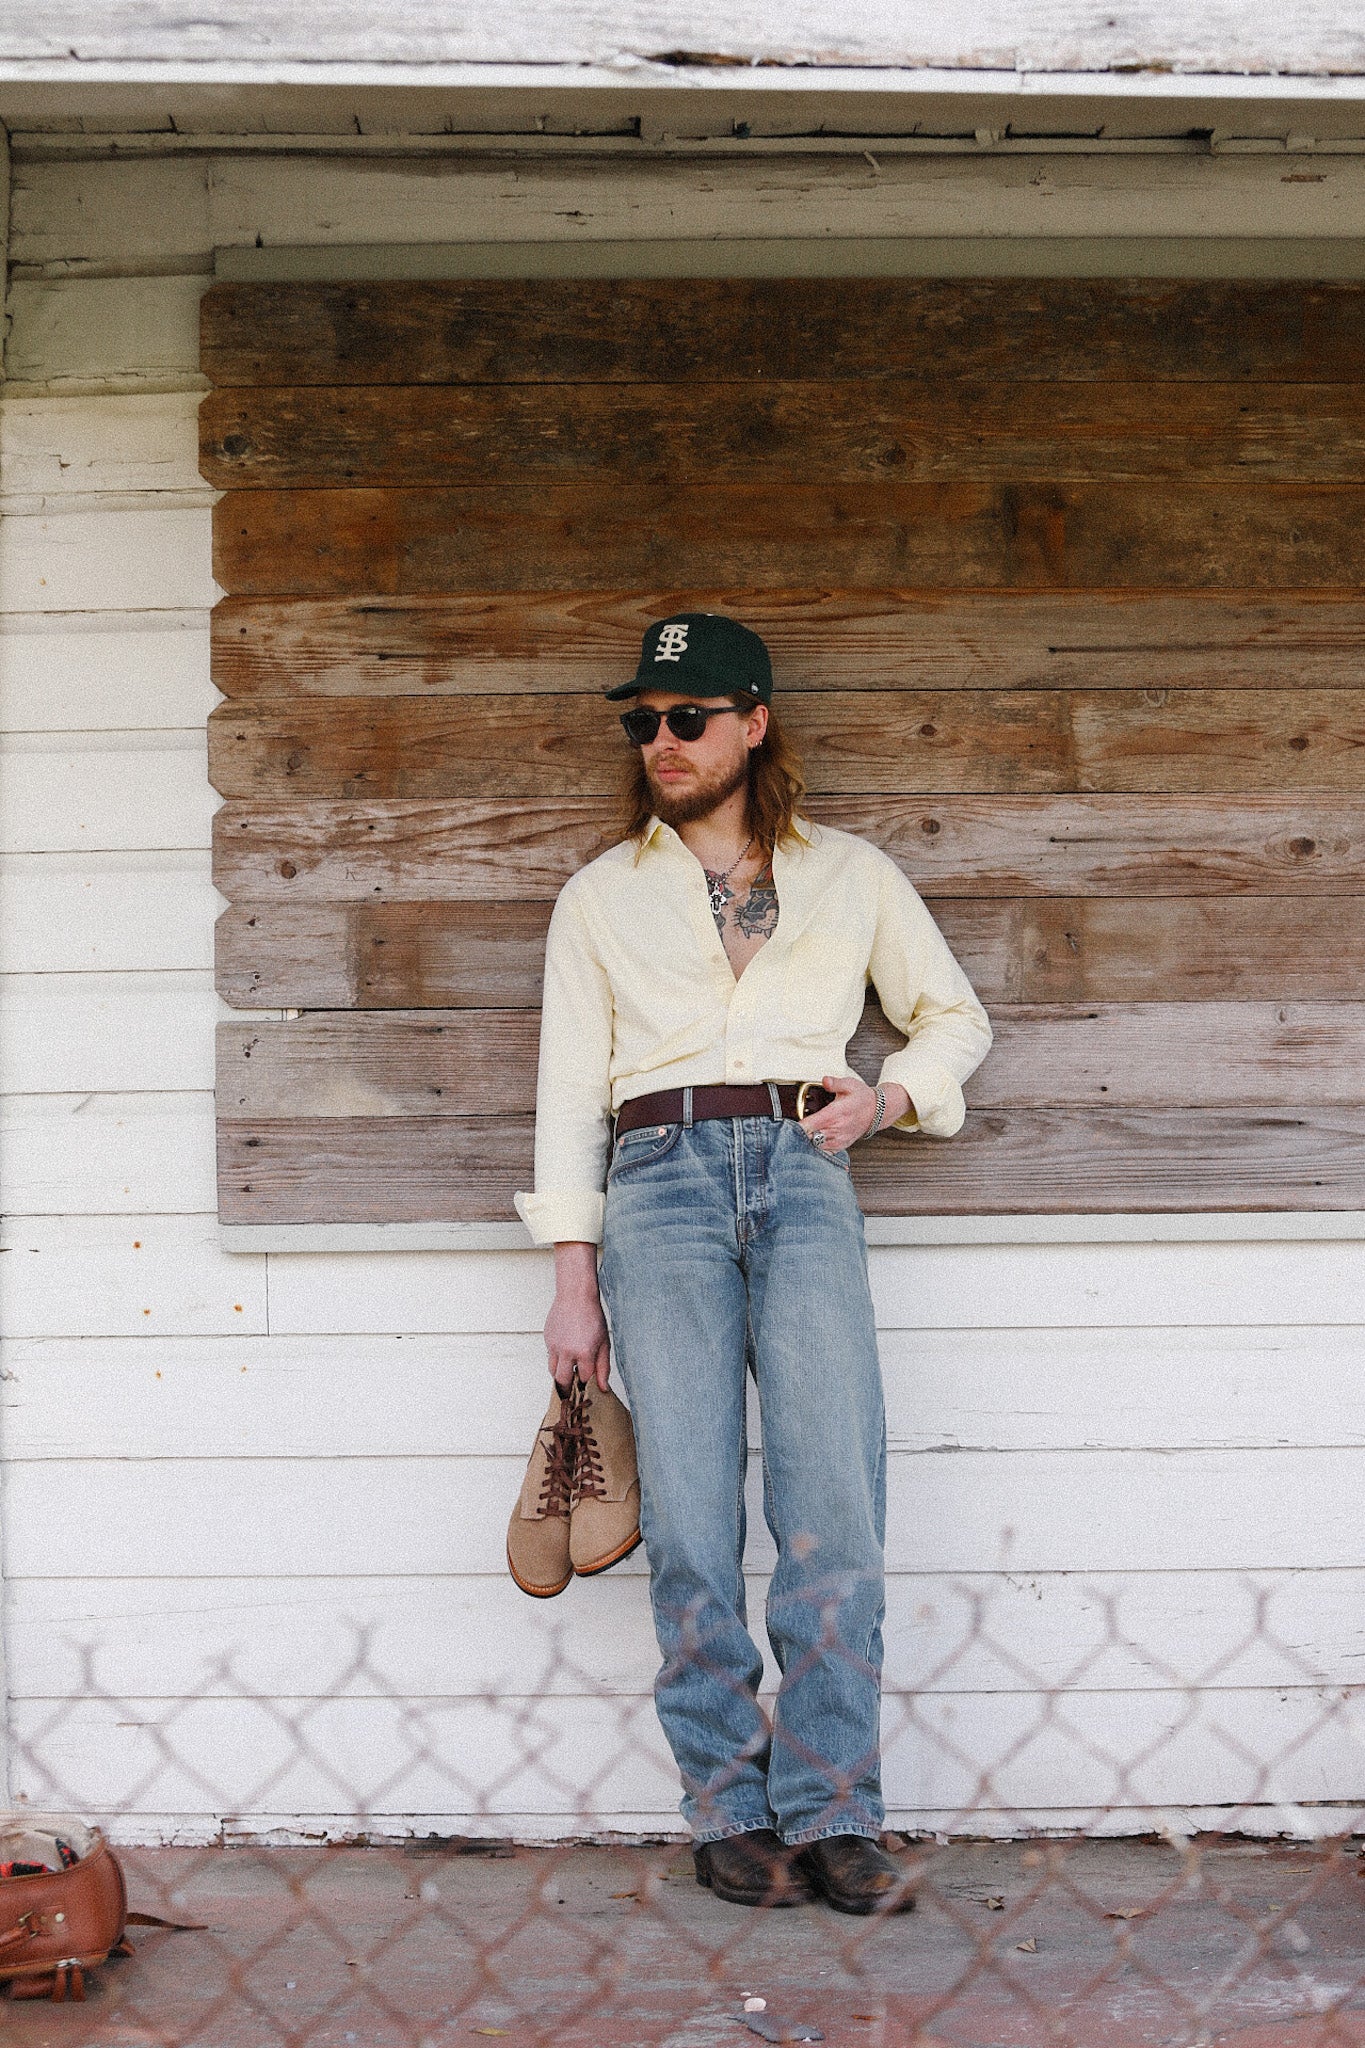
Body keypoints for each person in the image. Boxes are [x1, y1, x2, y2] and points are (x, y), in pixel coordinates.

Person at [514, 612, 992, 1913]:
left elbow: (953, 1016)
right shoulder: (599, 895)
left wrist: (888, 1102)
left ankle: (838, 1812)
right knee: (685, 1514)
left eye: (687, 716)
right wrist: (572, 1282)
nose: (660, 741)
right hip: (656, 1183)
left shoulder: (848, 875)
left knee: (832, 1499)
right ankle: (725, 1805)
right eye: (643, 721)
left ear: (753, 721)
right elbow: (568, 1094)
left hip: (803, 1172)